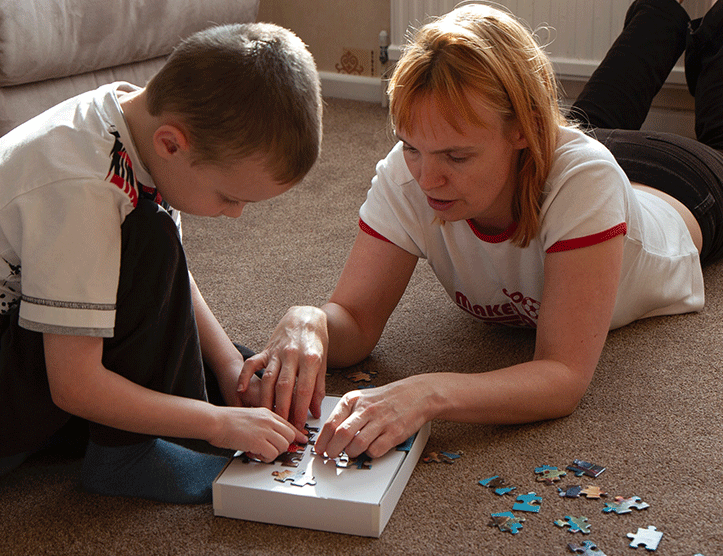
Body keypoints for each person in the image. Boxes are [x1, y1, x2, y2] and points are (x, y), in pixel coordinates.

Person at [238, 0, 723, 460]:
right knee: (598, 115)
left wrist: (428, 392)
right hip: (547, 160)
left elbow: (562, 377)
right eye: (411, 146)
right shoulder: (414, 171)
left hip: (677, 185)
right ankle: (658, 15)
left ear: (522, 133)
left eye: (456, 155)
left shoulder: (583, 179)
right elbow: (357, 321)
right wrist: (311, 320)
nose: (427, 179)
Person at [0, 22, 322, 503]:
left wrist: (227, 366)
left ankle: (164, 418)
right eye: (229, 196)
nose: (236, 214)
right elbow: (74, 386)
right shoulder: (83, 186)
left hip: (21, 343)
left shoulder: (136, 123)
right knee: (148, 234)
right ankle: (126, 457)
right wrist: (217, 422)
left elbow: (170, 275)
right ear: (172, 143)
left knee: (162, 261)